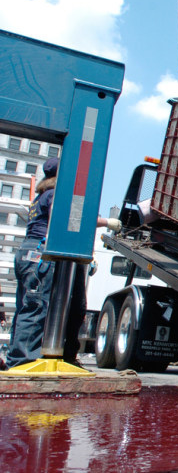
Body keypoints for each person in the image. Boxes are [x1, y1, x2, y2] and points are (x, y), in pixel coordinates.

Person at [5, 157, 121, 369]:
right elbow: (70, 218)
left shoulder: (41, 196)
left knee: (28, 306)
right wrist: (107, 222)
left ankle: (20, 358)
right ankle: (22, 363)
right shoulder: (55, 195)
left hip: (28, 251)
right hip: (40, 253)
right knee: (35, 307)